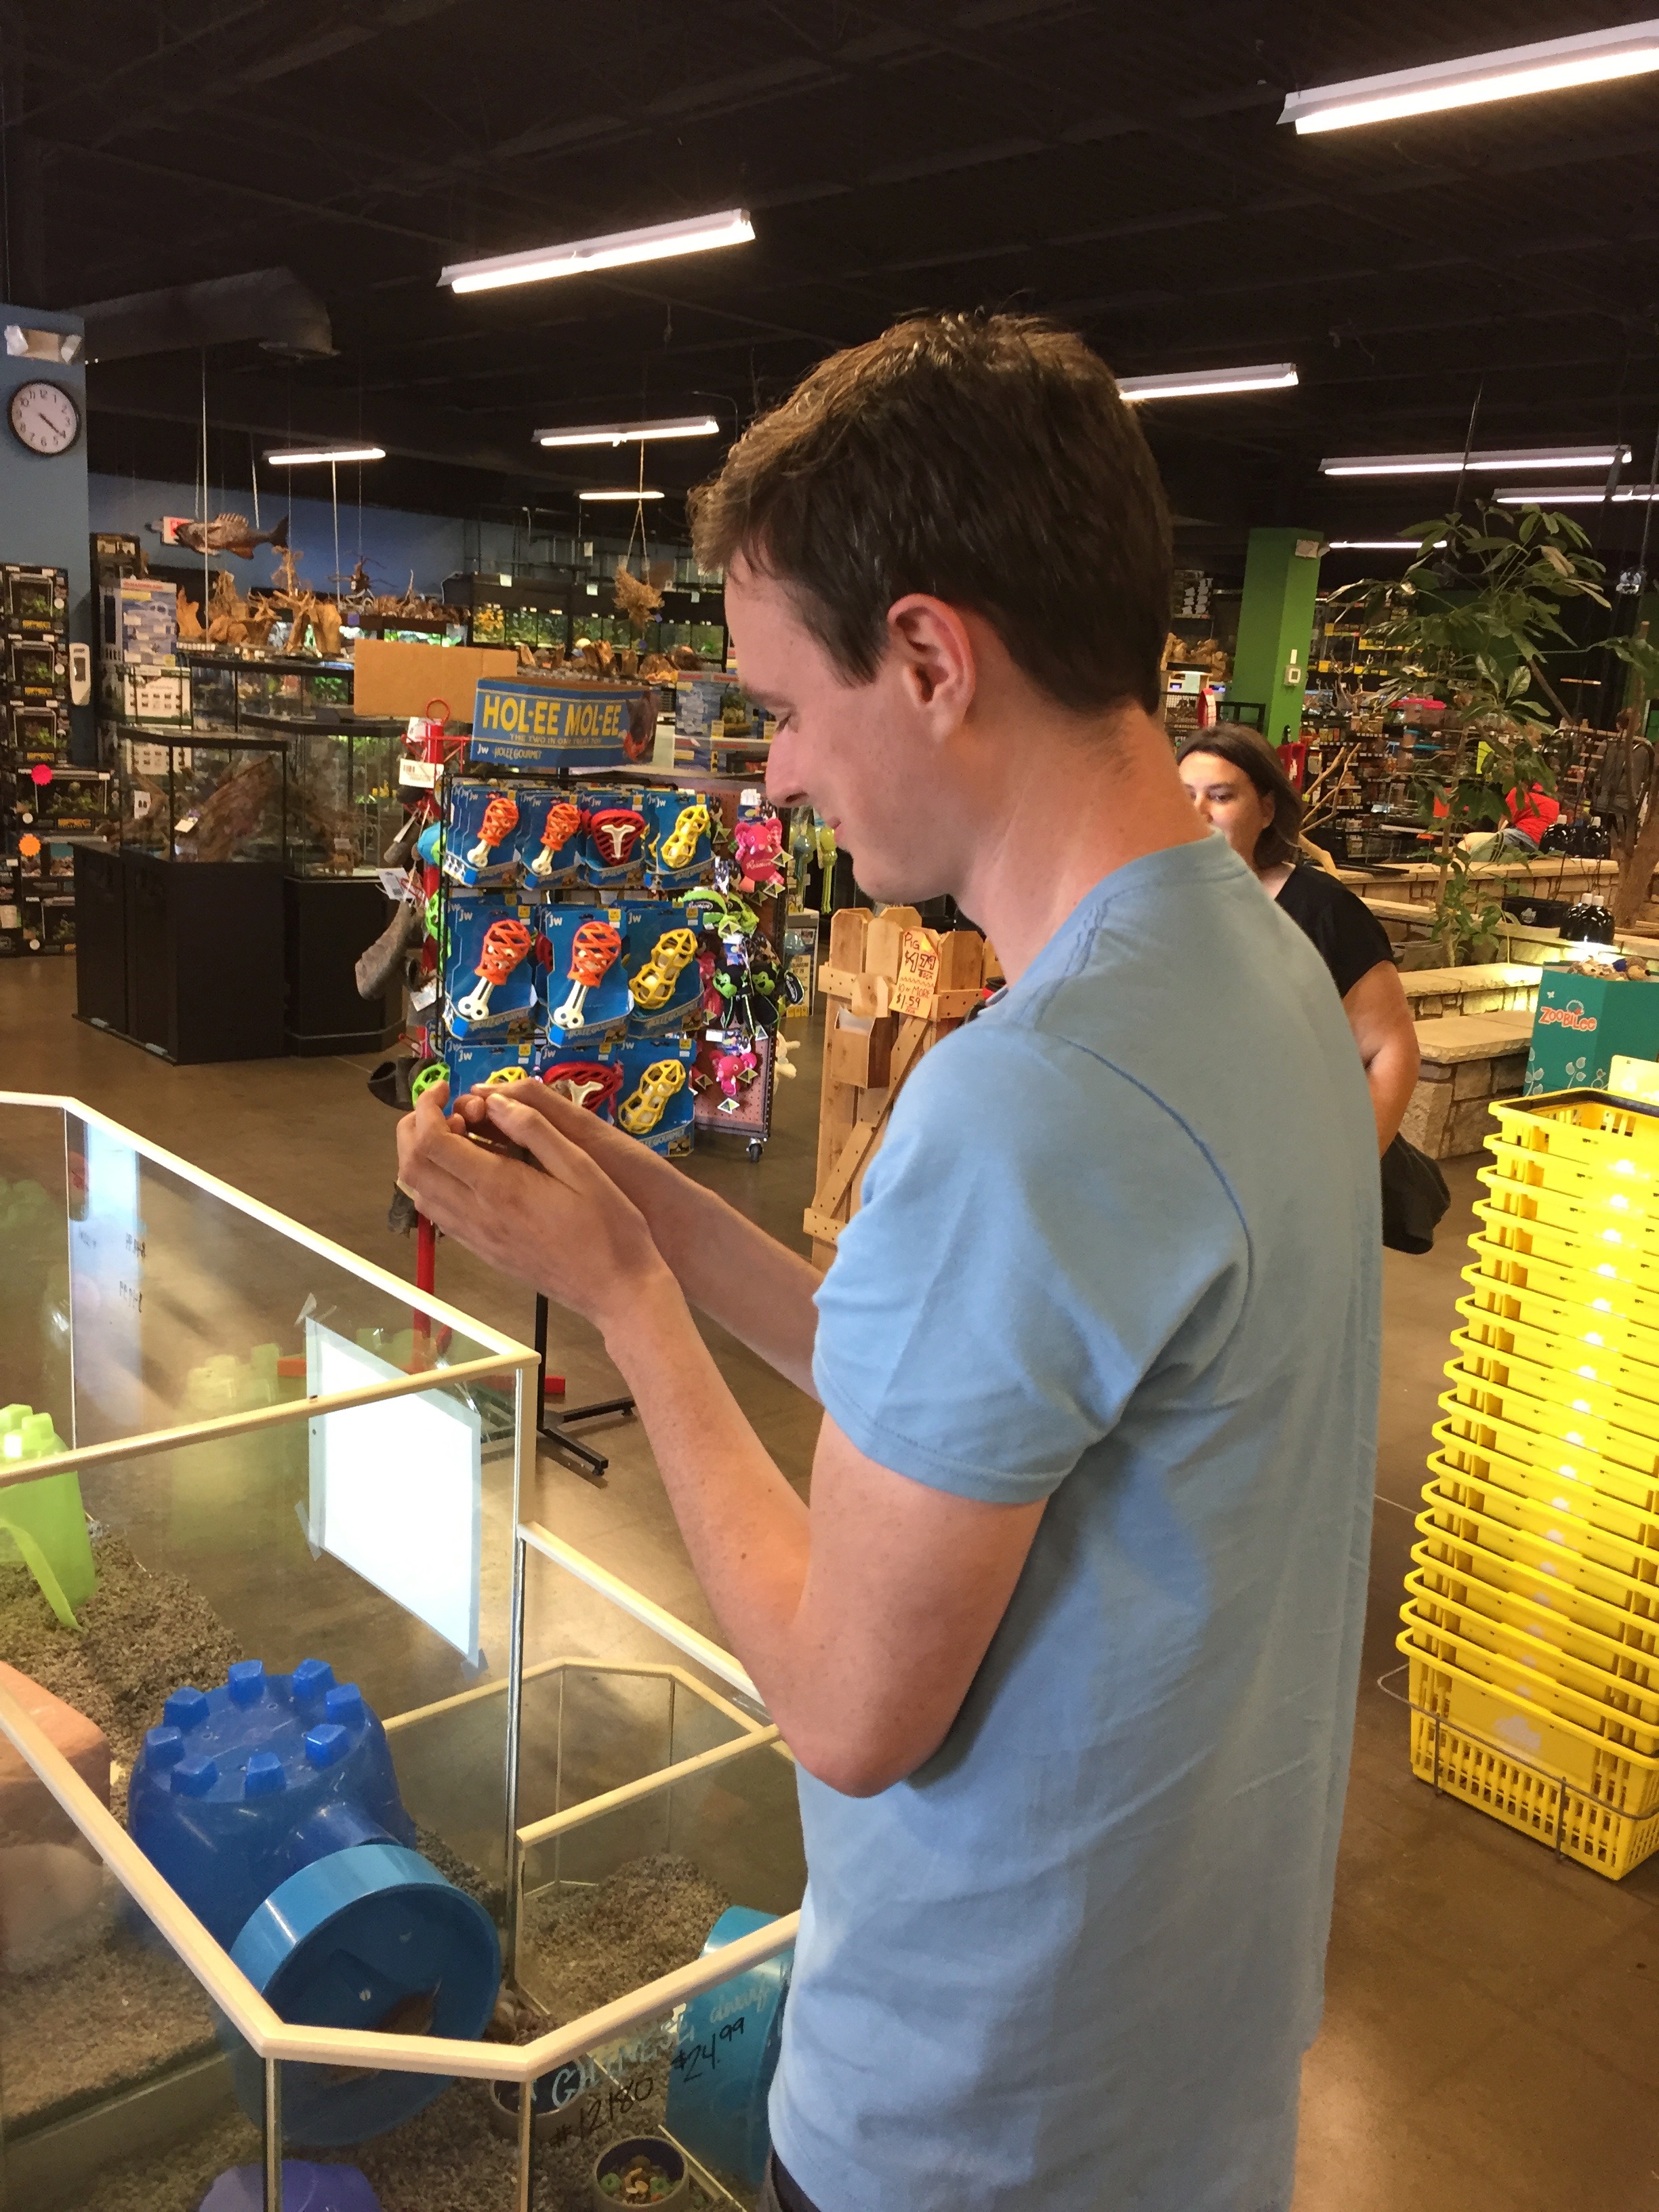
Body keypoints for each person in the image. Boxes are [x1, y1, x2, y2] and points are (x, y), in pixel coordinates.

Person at [397, 313, 1380, 2212]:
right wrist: (648, 1207)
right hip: (1178, 2083)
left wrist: (626, 1308)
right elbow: (959, 1388)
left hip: (977, 2120)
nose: (771, 777)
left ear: (929, 659)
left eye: (782, 705)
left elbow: (848, 1708)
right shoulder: (1249, 971)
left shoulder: (1034, 1094)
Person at [1176, 729, 1421, 1152]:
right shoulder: (1156, 905)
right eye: (1185, 796)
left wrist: (1352, 1166)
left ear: (1267, 809)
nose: (1199, 813)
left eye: (1221, 796)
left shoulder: (1322, 911)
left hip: (1302, 1162)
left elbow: (1390, 1050)